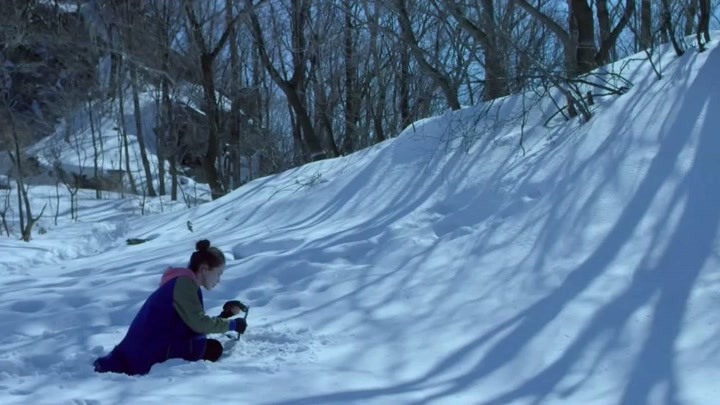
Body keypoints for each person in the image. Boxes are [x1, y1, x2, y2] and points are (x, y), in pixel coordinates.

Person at [93, 239, 248, 376]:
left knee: (210, 346)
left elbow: (190, 322)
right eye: (218, 273)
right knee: (213, 349)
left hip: (145, 346)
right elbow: (198, 324)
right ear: (204, 269)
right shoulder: (185, 285)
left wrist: (224, 316)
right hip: (148, 353)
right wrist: (232, 325)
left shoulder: (183, 282)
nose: (219, 280)